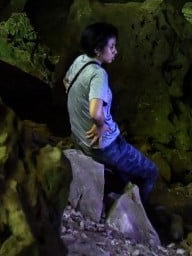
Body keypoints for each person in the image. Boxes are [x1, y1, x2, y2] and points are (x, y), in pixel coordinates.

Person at [64, 22, 159, 205]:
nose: (115, 51)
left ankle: (118, 198)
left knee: (124, 176)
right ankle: (140, 214)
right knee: (151, 172)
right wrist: (99, 125)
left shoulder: (80, 61)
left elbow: (66, 81)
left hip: (80, 138)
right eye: (112, 46)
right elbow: (95, 112)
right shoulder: (98, 74)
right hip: (105, 145)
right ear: (98, 50)